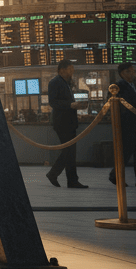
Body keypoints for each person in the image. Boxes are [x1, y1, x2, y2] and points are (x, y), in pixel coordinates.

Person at [45, 60, 88, 188]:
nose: (72, 71)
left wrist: (76, 106)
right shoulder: (55, 82)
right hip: (62, 123)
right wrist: (70, 105)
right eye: (70, 69)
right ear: (62, 70)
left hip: (69, 122)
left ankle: (58, 175)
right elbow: (53, 102)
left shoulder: (66, 83)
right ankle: (69, 179)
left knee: (69, 152)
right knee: (69, 151)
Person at [110, 62, 136, 187]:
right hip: (127, 124)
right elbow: (117, 106)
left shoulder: (135, 85)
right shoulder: (118, 86)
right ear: (123, 73)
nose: (133, 73)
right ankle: (115, 175)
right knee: (125, 152)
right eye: (131, 71)